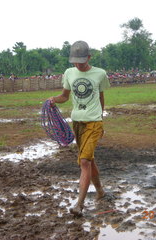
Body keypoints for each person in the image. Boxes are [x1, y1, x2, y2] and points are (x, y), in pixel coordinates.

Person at [48, 40, 110, 216]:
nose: (78, 64)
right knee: (89, 159)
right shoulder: (69, 73)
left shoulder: (100, 74)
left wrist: (100, 118)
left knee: (84, 161)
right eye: (75, 61)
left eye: (81, 60)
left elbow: (101, 97)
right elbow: (65, 96)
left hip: (94, 122)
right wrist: (53, 100)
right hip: (77, 122)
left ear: (89, 57)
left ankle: (79, 205)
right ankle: (100, 192)